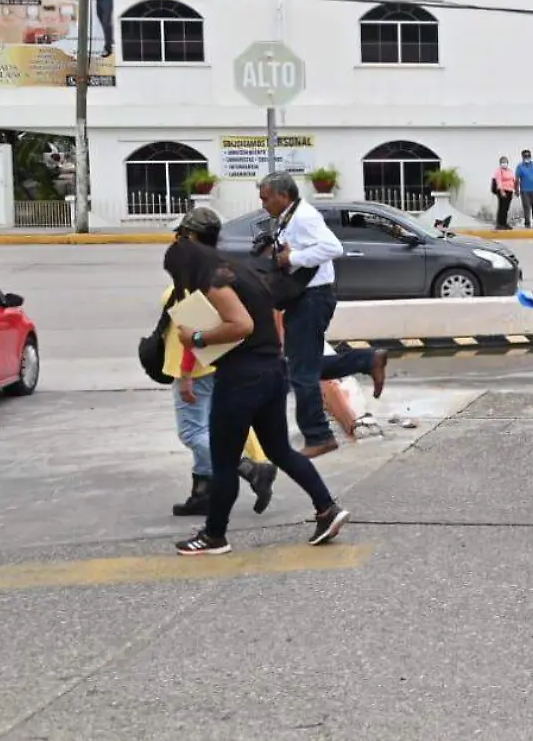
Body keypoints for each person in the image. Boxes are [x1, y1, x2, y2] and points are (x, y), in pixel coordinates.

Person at [168, 238, 350, 556]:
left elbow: (241, 325)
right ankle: (327, 509)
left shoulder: (214, 282)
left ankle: (214, 536)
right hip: (271, 372)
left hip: (241, 379)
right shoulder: (240, 272)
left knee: (224, 462)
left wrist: (195, 338)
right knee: (280, 450)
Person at [256, 173, 384, 459]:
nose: (263, 204)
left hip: (312, 299)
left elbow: (333, 248)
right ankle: (368, 359)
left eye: (266, 198)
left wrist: (292, 258)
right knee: (303, 366)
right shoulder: (290, 217)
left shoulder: (303, 216)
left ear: (283, 196)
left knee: (302, 372)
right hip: (304, 297)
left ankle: (318, 435)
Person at [162, 206, 275, 519]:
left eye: (183, 235)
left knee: (192, 432)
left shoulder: (194, 273)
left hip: (195, 365)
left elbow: (192, 329)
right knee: (207, 428)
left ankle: (250, 469)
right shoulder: (220, 268)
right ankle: (203, 493)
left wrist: (185, 373)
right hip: (218, 363)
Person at [515, 149, 533, 228]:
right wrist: (516, 190)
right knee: (527, 207)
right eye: (525, 156)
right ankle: (527, 223)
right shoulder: (520, 167)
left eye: (528, 156)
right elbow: (517, 179)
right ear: (522, 157)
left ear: (530, 156)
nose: (527, 157)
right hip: (524, 191)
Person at [492, 156, 518, 231]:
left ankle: (504, 223)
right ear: (500, 163)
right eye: (503, 162)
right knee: (502, 208)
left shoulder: (510, 171)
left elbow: (513, 180)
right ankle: (499, 224)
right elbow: (499, 181)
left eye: (505, 162)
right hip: (502, 191)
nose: (504, 163)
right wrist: (502, 191)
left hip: (510, 191)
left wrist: (515, 190)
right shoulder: (498, 171)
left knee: (506, 208)